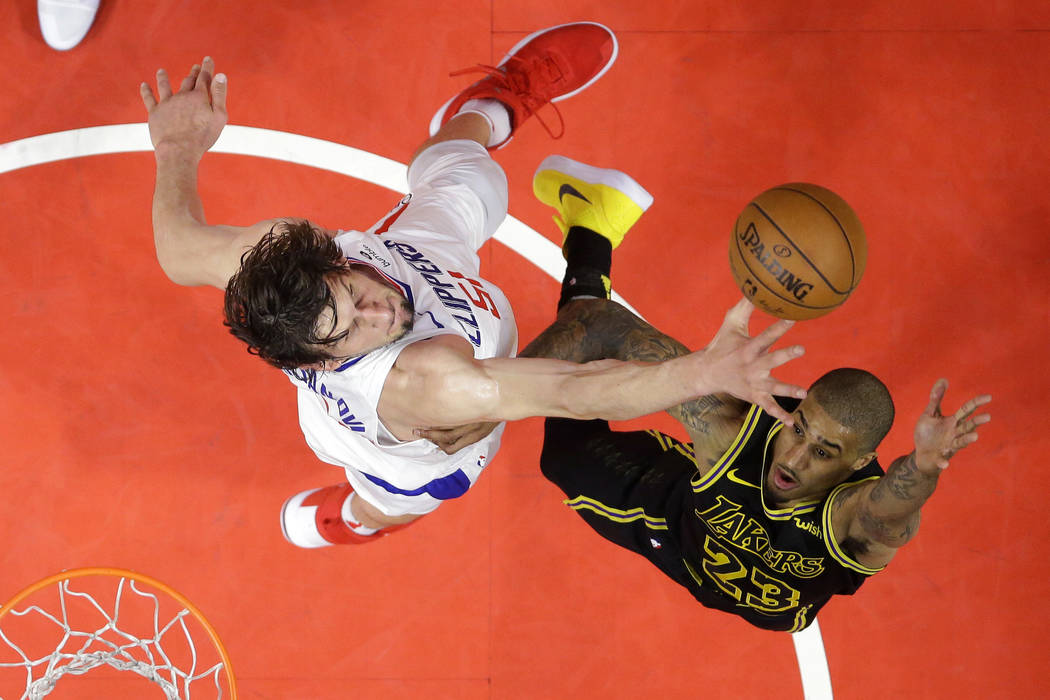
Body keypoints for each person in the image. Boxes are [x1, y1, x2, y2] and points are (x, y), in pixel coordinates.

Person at [139, 24, 806, 548]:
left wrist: (176, 147)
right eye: (355, 329)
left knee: (468, 175)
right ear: (321, 357)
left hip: (420, 260)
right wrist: (704, 373)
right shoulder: (429, 383)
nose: (377, 310)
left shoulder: (285, 261)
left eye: (352, 291)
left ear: (328, 262)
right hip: (419, 438)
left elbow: (177, 249)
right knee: (391, 503)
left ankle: (488, 106)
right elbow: (575, 391)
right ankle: (354, 523)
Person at [517, 156, 993, 631]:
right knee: (562, 454)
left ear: (857, 463)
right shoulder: (733, 430)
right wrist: (484, 400)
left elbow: (889, 508)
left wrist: (926, 465)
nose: (796, 457)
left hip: (752, 589)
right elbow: (601, 326)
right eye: (799, 429)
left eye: (824, 452)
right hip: (673, 526)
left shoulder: (851, 522)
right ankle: (595, 223)